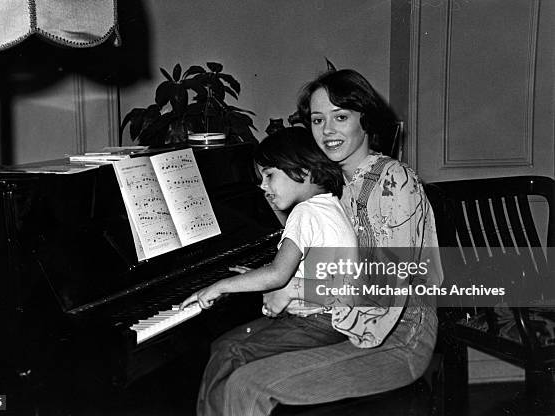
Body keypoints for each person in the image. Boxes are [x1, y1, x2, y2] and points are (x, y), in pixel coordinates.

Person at [191, 68, 443, 416]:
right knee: (226, 349)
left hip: (395, 335)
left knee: (246, 384)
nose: (327, 130)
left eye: (340, 117)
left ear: (365, 119)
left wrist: (293, 289)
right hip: (340, 319)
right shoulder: (332, 181)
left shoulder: (393, 179)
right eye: (317, 119)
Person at [180, 126, 359, 416]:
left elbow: (278, 274)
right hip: (334, 321)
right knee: (225, 344)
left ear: (303, 170)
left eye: (269, 175)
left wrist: (219, 286)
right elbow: (305, 265)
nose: (263, 185)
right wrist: (254, 277)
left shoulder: (306, 213)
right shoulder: (327, 206)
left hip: (317, 324)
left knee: (228, 351)